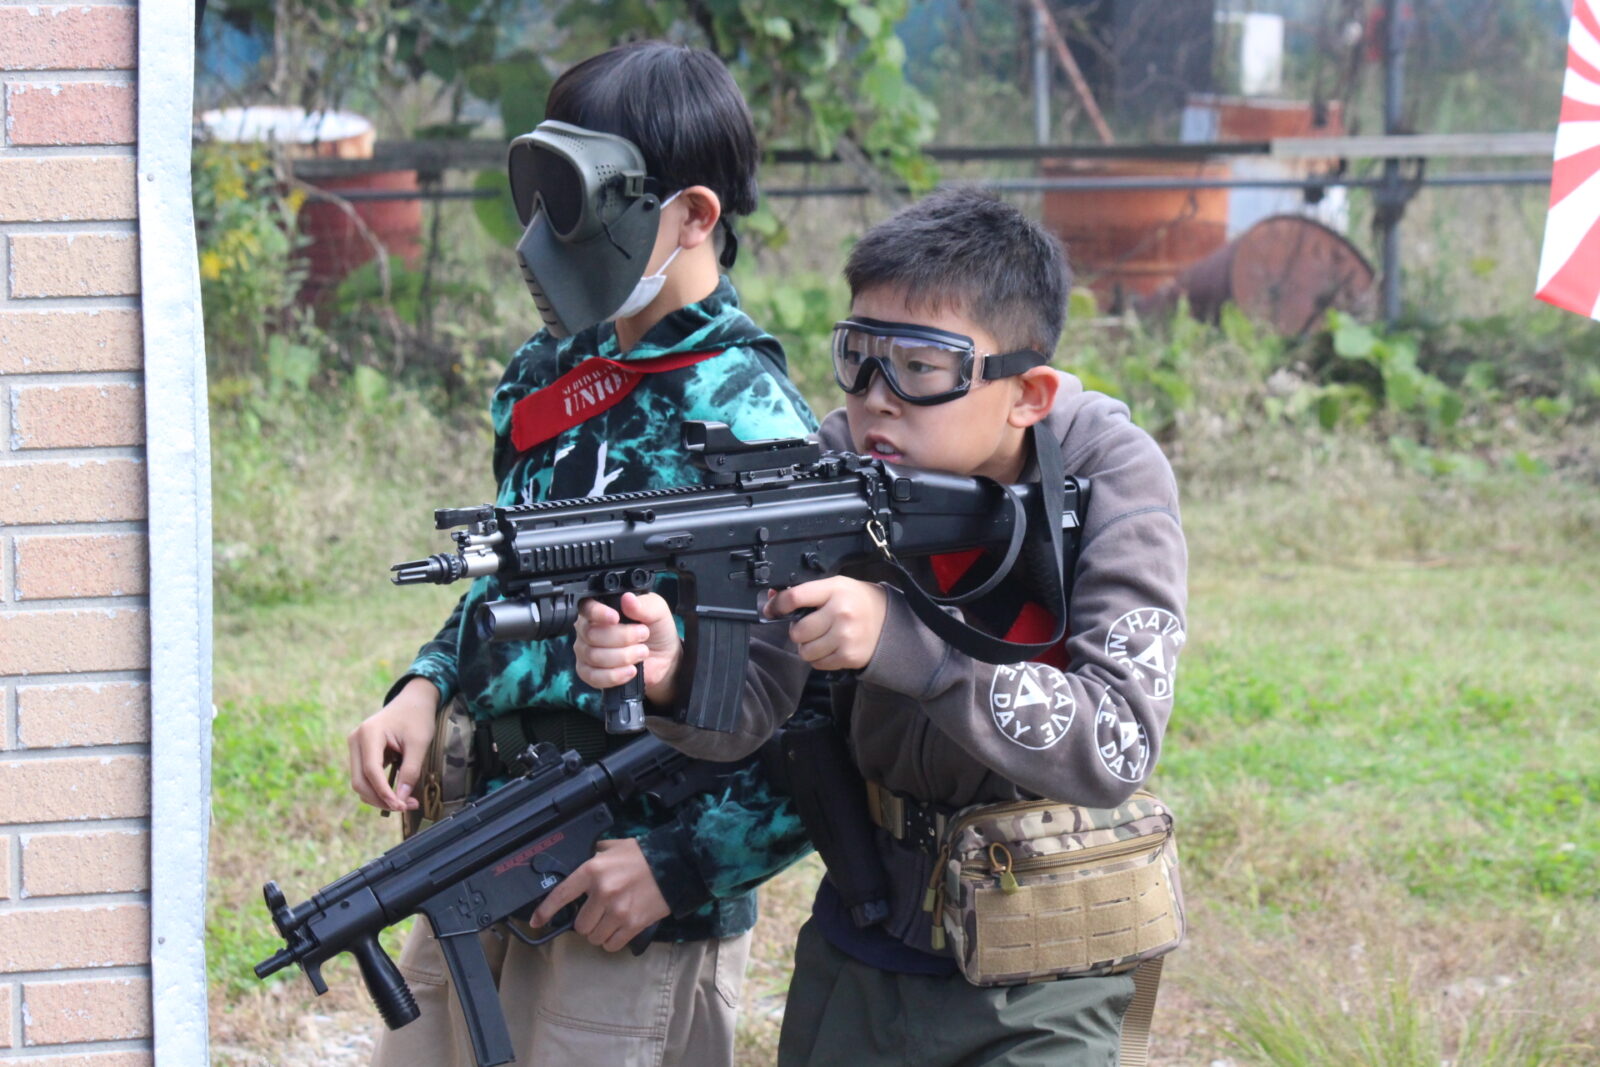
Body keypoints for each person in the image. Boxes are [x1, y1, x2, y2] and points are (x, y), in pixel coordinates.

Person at [575, 187, 1188, 1065]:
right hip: (866, 930)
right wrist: (672, 673)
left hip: (1045, 959)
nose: (877, 399)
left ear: (1028, 393)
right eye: (858, 358)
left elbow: (1117, 744)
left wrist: (909, 645)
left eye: (922, 367)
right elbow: (747, 707)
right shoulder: (838, 465)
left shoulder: (1110, 473)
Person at [346, 41, 817, 1067]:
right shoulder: (545, 376)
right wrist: (426, 684)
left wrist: (682, 864)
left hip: (629, 904)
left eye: (580, 201)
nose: (546, 237)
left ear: (693, 215)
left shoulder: (755, 420)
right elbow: (514, 575)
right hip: (488, 848)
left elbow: (821, 703)